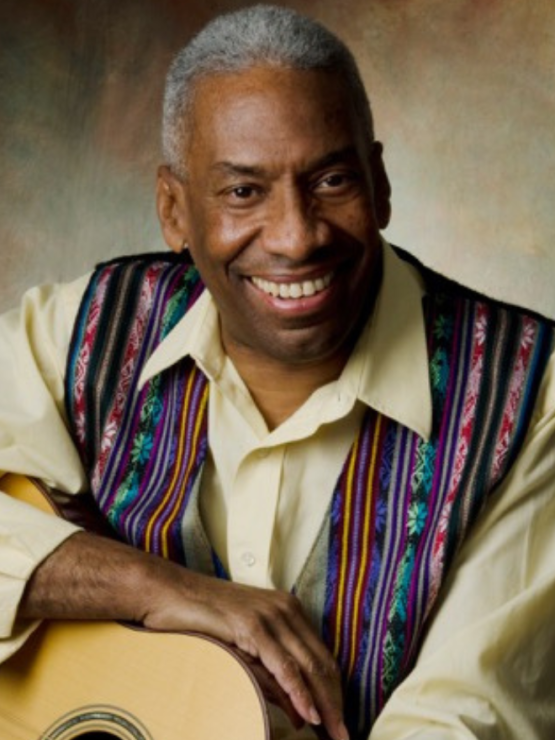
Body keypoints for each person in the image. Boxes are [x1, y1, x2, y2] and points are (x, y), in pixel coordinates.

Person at [1, 5, 555, 739]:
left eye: (330, 180)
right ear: (173, 210)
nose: (295, 237)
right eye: (242, 191)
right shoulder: (80, 332)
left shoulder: (527, 394)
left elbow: (462, 720)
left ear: (380, 183)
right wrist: (154, 586)